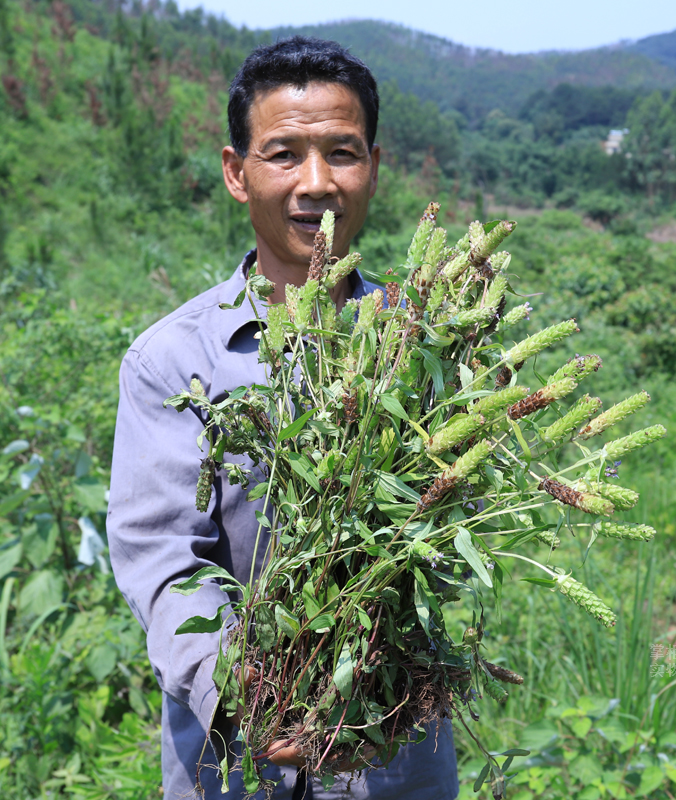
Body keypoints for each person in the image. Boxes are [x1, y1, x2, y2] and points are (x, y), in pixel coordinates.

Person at [107, 37, 459, 800]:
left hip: (394, 762)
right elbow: (164, 561)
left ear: (374, 165)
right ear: (238, 173)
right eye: (283, 154)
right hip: (235, 763)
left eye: (342, 151)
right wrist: (239, 692)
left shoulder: (427, 340)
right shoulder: (172, 362)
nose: (317, 182)